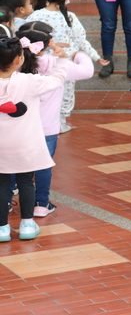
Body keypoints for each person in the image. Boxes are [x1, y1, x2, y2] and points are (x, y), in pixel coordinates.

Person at [17, 21, 93, 218]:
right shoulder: (58, 64)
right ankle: (41, 204)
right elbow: (87, 71)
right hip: (47, 127)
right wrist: (77, 54)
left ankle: (8, 200)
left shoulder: (13, 63)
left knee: (14, 164)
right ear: (49, 42)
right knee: (43, 165)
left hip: (18, 126)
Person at [0, 36, 66, 242]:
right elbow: (57, 80)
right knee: (27, 182)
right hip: (25, 144)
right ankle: (27, 224)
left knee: (2, 184)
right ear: (19, 59)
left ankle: (2, 227)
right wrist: (61, 60)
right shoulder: (30, 81)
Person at [26, 0, 103, 134]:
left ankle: (43, 122)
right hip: (64, 62)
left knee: (44, 92)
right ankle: (60, 122)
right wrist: (95, 57)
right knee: (65, 91)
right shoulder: (70, 17)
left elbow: (26, 35)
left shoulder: (36, 15)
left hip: (41, 61)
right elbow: (81, 40)